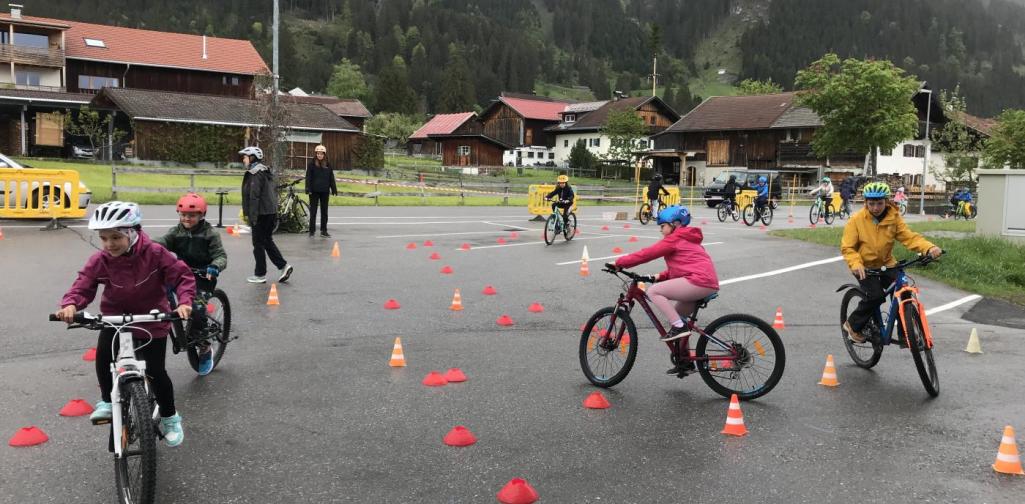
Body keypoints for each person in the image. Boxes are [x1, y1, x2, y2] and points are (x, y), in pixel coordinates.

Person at [55, 201, 194, 447]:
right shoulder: (101, 259)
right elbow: (84, 283)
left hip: (151, 318)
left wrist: (184, 302)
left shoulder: (155, 253)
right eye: (104, 238)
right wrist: (71, 305)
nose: (109, 244)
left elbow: (182, 276)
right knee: (104, 358)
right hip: (115, 318)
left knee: (155, 371)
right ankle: (108, 401)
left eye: (116, 237)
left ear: (132, 232)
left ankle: (170, 417)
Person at [612, 206, 719, 374]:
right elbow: (681, 269)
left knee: (654, 292)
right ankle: (685, 362)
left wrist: (620, 263)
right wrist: (656, 277)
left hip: (699, 281)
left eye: (663, 226)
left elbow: (646, 254)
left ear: (674, 224)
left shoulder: (674, 239)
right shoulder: (687, 239)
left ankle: (679, 328)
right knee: (678, 314)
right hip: (704, 281)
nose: (661, 230)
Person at [840, 182, 941, 343]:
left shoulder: (893, 217)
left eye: (879, 203)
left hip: (887, 264)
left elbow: (908, 237)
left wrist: (929, 247)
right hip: (864, 267)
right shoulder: (856, 220)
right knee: (876, 296)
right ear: (865, 202)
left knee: (905, 291)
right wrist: (856, 264)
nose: (875, 208)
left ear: (886, 201)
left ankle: (906, 334)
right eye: (871, 203)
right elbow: (848, 248)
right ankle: (852, 325)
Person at [154, 193, 228, 376]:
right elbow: (161, 244)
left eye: (192, 215)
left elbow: (221, 256)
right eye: (183, 214)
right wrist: (146, 247)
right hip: (179, 273)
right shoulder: (176, 232)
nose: (187, 218)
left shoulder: (210, 234)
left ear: (202, 215)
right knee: (155, 296)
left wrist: (214, 267)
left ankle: (204, 346)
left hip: (203, 276)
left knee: (197, 308)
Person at [240, 146, 293, 284]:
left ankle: (260, 274)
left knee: (258, 243)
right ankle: (284, 266)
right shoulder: (264, 170)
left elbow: (254, 196)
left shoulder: (255, 173)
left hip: (261, 213)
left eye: (245, 156)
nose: (243, 159)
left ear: (252, 157)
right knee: (267, 241)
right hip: (269, 212)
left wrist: (252, 216)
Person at [305, 144, 337, 237]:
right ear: (316, 154)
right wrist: (308, 188)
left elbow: (331, 177)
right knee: (313, 212)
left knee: (324, 212)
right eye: (318, 154)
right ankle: (312, 231)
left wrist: (334, 188)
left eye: (321, 154)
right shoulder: (311, 164)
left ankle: (324, 230)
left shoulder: (328, 164)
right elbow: (308, 177)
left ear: (324, 154)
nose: (320, 155)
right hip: (314, 191)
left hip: (324, 191)